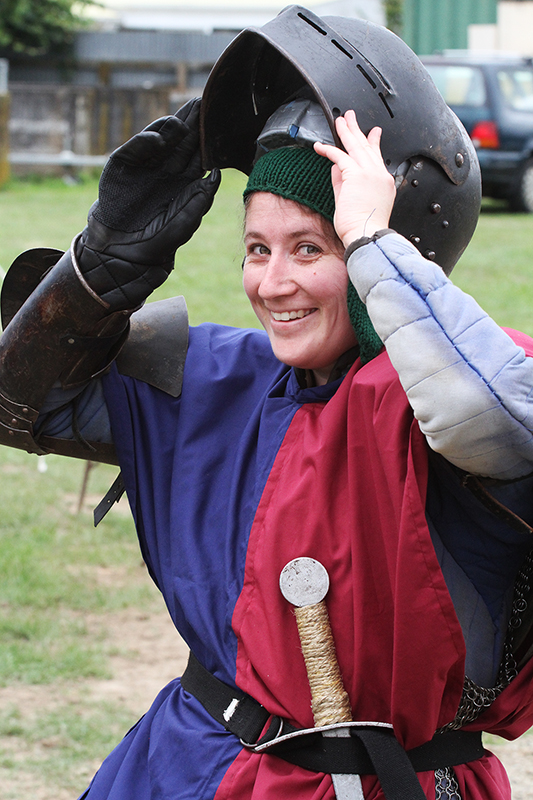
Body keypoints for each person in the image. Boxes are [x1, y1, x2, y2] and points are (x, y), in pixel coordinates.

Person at [1, 7, 533, 800]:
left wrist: (371, 244)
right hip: (182, 765)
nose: (271, 283)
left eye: (310, 247)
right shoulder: (215, 378)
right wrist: (97, 274)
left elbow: (493, 416)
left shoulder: (459, 388)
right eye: (258, 247)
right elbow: (23, 406)